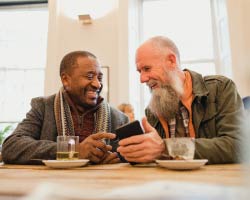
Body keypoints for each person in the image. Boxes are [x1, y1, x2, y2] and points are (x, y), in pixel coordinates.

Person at [117, 36, 244, 164]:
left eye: (147, 69)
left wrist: (166, 148)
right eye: (140, 72)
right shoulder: (152, 110)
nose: (142, 79)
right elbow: (153, 156)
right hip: (166, 182)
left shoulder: (220, 88)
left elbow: (238, 146)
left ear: (172, 61)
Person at [2, 51, 128, 164]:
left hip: (101, 186)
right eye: (89, 77)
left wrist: (114, 160)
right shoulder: (43, 107)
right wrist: (73, 150)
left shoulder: (119, 118)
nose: (97, 84)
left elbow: (128, 157)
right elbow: (11, 147)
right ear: (65, 80)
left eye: (99, 78)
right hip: (50, 186)